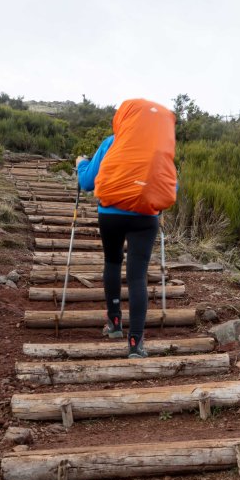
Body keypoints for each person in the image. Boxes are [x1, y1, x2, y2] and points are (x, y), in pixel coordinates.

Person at [76, 98, 177, 358]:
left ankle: (114, 323)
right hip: (145, 218)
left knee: (112, 262)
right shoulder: (160, 149)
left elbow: (87, 182)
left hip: (111, 215)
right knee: (137, 276)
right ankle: (136, 343)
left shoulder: (112, 142)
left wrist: (80, 164)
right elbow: (171, 186)